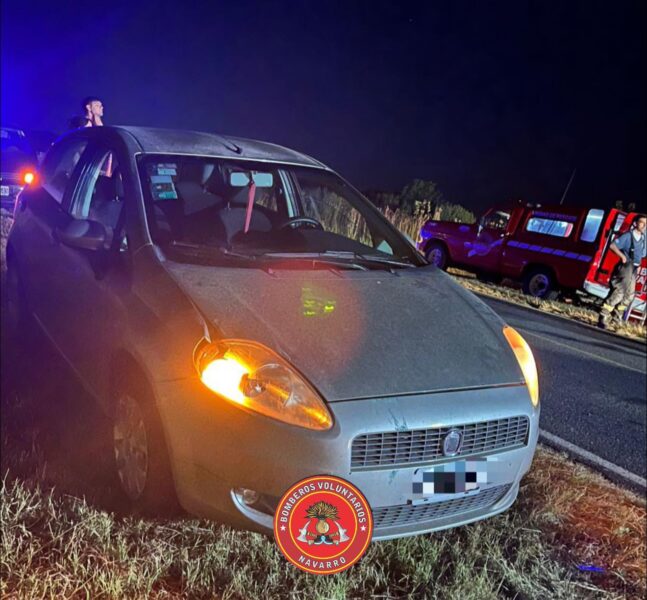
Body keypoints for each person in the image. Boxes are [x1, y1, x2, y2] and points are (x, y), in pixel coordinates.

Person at [598, 214, 647, 329]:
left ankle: (616, 317)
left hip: (634, 268)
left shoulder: (643, 239)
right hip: (626, 267)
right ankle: (603, 315)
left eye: (646, 224)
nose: (644, 226)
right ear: (635, 223)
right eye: (642, 223)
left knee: (629, 295)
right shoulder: (628, 236)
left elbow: (643, 254)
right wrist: (622, 256)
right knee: (619, 292)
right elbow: (612, 245)